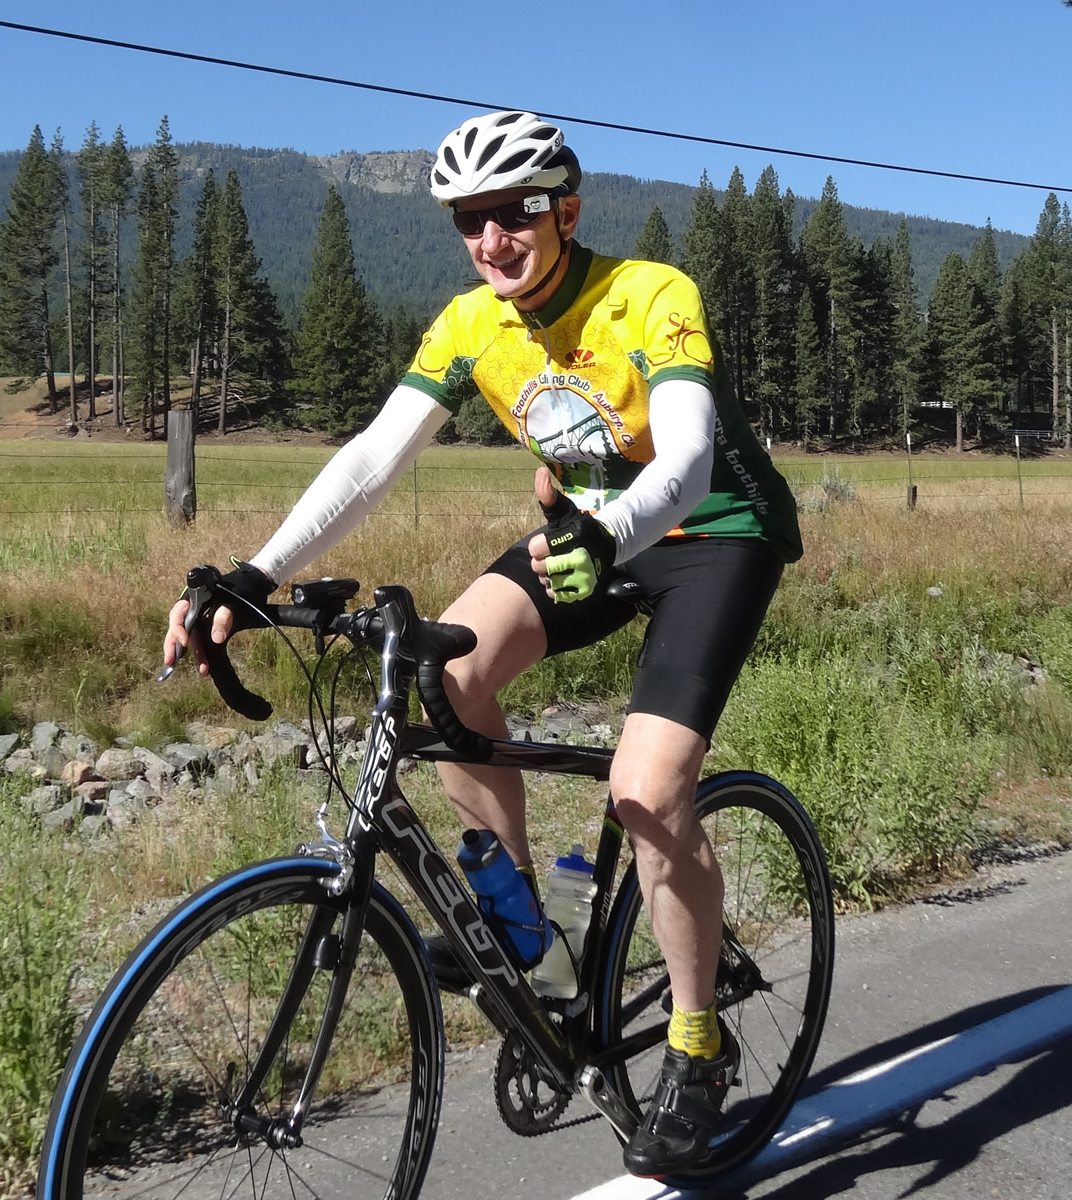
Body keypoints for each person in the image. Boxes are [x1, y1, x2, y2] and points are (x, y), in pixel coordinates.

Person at [164, 110, 803, 1176]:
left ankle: (697, 1043)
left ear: (566, 211)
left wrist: (608, 534)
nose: (491, 239)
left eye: (514, 213)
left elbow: (689, 459)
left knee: (647, 794)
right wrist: (255, 573)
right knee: (445, 667)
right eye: (470, 220)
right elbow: (372, 459)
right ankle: (524, 934)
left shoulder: (650, 294)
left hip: (713, 537)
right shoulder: (472, 324)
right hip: (590, 533)